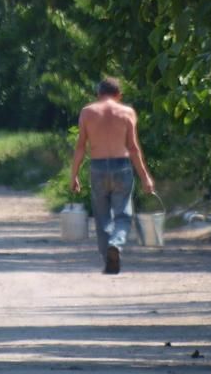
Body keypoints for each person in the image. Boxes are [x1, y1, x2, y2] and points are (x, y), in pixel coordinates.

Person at [71, 77, 154, 274]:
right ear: (119, 95)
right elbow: (133, 149)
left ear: (98, 94)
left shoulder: (88, 112)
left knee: (101, 217)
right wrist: (145, 178)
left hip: (97, 167)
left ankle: (107, 256)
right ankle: (116, 244)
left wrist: (74, 175)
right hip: (122, 166)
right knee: (123, 215)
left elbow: (81, 146)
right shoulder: (127, 112)